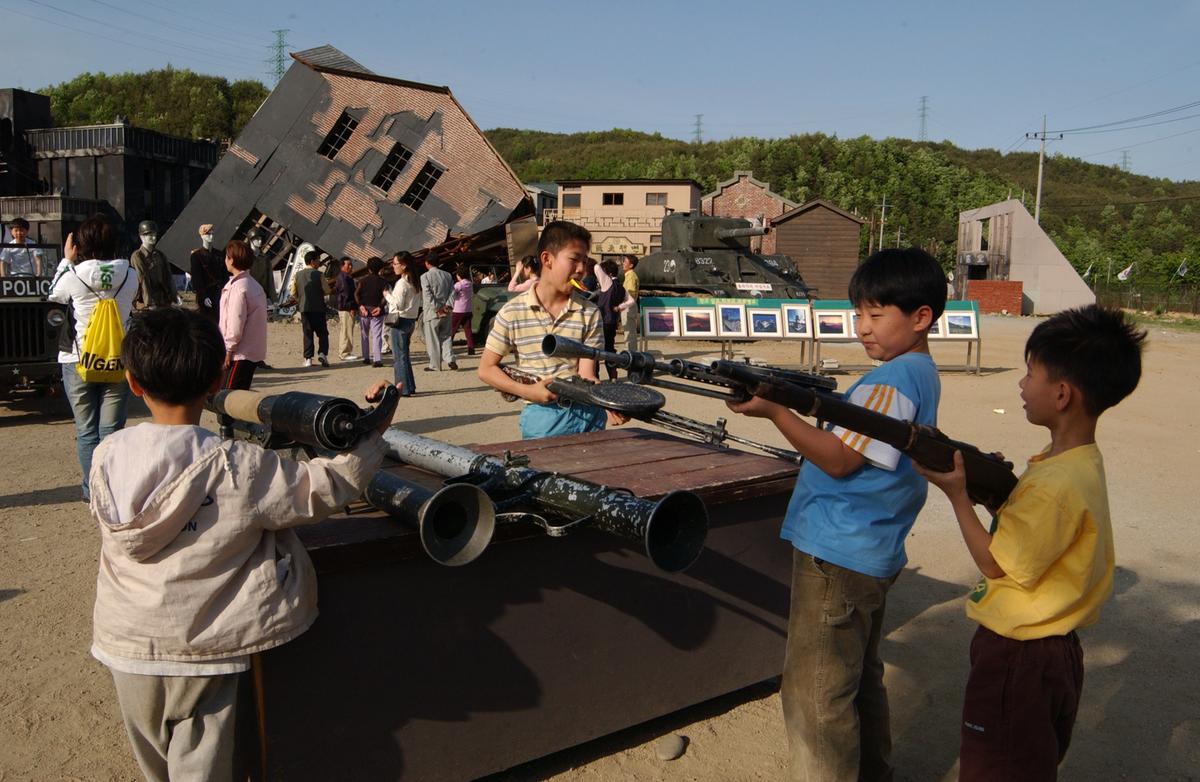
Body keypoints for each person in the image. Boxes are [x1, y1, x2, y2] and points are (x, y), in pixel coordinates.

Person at [87, 306, 391, 782]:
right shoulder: (237, 465)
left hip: (128, 644)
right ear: (215, 384)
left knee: (156, 765)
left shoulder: (107, 455)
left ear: (133, 383)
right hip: (207, 650)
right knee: (203, 766)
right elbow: (319, 490)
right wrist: (370, 439)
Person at [725, 247, 947, 780]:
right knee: (857, 679)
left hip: (838, 550)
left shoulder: (889, 382)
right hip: (869, 547)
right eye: (858, 314)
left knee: (815, 696)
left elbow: (839, 460)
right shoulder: (916, 372)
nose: (862, 327)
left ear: (921, 318)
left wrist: (776, 410)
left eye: (876, 315)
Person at [916, 305, 1145, 781]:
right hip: (1054, 651)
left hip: (1017, 655)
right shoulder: (1076, 463)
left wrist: (957, 495)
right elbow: (1035, 535)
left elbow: (996, 565)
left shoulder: (1052, 485)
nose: (1021, 385)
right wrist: (997, 499)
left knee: (995, 768)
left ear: (1061, 394)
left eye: (1030, 374)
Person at [478, 221, 626, 439]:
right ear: (547, 259)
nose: (581, 270)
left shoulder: (589, 312)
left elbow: (586, 374)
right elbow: (486, 369)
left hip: (589, 414)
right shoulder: (513, 312)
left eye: (584, 262)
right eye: (574, 259)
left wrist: (607, 403)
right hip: (542, 416)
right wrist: (528, 391)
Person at [48, 215, 139, 502]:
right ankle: (112, 487)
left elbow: (54, 295)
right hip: (118, 358)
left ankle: (92, 492)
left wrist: (66, 260)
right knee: (111, 430)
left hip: (78, 358)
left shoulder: (74, 275)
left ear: (80, 244)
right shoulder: (130, 274)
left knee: (86, 430)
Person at [217, 239, 268, 437]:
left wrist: (229, 350)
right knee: (240, 392)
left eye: (227, 257)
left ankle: (230, 434)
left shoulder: (239, 288)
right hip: (251, 350)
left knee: (228, 398)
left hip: (240, 351)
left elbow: (235, 322)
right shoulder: (252, 284)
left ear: (231, 260)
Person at [384, 252, 420, 396]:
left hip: (400, 321)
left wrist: (387, 295)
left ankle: (403, 388)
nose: (393, 266)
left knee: (399, 357)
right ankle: (409, 386)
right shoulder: (414, 282)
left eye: (395, 263)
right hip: (410, 320)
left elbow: (397, 304)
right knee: (404, 355)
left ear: (403, 265)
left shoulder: (402, 283)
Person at [289, 250, 332, 368]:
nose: (319, 262)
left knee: (307, 334)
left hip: (304, 309)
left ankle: (308, 359)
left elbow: (293, 292)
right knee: (322, 333)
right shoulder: (319, 275)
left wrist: (300, 298)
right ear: (312, 261)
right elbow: (327, 290)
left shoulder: (297, 275)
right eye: (318, 260)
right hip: (318, 308)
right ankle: (322, 353)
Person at [420, 253, 456, 371]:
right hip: (447, 310)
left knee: (433, 339)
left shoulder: (425, 277)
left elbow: (427, 295)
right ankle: (450, 359)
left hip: (432, 312)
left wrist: (437, 308)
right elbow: (452, 292)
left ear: (427, 263)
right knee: (446, 336)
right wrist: (448, 306)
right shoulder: (448, 275)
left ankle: (435, 365)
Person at [130, 220, 177, 309]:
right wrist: (149, 303)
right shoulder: (137, 256)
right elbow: (143, 280)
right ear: (142, 237)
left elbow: (168, 276)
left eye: (155, 234)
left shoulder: (160, 255)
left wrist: (174, 296)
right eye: (150, 235)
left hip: (162, 300)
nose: (154, 237)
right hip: (144, 302)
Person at [592, 259, 626, 380]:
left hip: (603, 321)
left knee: (594, 349)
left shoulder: (608, 283)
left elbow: (596, 267)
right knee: (609, 349)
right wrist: (619, 307)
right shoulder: (621, 287)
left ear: (609, 274)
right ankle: (613, 375)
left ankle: (595, 377)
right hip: (612, 321)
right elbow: (631, 301)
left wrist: (599, 263)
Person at [189, 223, 228, 324]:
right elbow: (197, 279)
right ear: (202, 236)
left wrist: (226, 292)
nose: (211, 236)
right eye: (207, 234)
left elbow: (225, 276)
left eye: (212, 234)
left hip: (219, 292)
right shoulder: (196, 256)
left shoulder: (219, 254)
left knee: (221, 321)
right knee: (206, 321)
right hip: (206, 292)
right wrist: (203, 296)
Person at [356, 256, 388, 367]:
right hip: (377, 311)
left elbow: (356, 294)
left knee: (364, 334)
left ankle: (366, 357)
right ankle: (377, 359)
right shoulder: (383, 281)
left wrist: (361, 306)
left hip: (364, 311)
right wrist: (380, 306)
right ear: (380, 268)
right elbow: (385, 297)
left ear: (368, 268)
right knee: (377, 335)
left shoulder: (362, 281)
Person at [333, 256, 359, 361]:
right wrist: (351, 307)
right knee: (346, 331)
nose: (350, 266)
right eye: (348, 264)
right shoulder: (344, 278)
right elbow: (346, 295)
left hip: (345, 308)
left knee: (347, 330)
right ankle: (344, 353)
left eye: (351, 264)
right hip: (346, 308)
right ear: (342, 266)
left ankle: (345, 351)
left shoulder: (346, 277)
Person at [451, 264, 476, 356]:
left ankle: (447, 348)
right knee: (468, 330)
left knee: (452, 329)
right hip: (468, 310)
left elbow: (452, 293)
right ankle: (471, 349)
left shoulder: (459, 285)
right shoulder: (470, 284)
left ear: (459, 275)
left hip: (458, 310)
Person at [617, 254, 640, 353]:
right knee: (630, 331)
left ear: (631, 265)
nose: (623, 263)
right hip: (629, 306)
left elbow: (629, 292)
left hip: (628, 306)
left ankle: (629, 353)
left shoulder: (630, 276)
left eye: (625, 261)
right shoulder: (630, 275)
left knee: (628, 331)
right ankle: (632, 352)